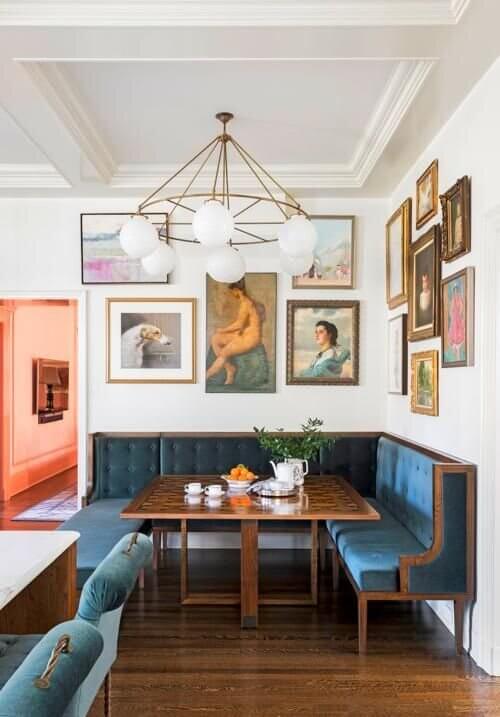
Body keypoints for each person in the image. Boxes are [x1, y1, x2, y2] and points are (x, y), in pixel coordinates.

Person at [206, 279, 262, 385]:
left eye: (232, 291)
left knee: (224, 352)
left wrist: (223, 330)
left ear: (236, 290)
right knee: (215, 338)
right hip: (244, 333)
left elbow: (239, 324)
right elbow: (247, 323)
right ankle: (229, 368)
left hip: (250, 337)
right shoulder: (244, 302)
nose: (231, 294)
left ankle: (207, 375)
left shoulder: (246, 303)